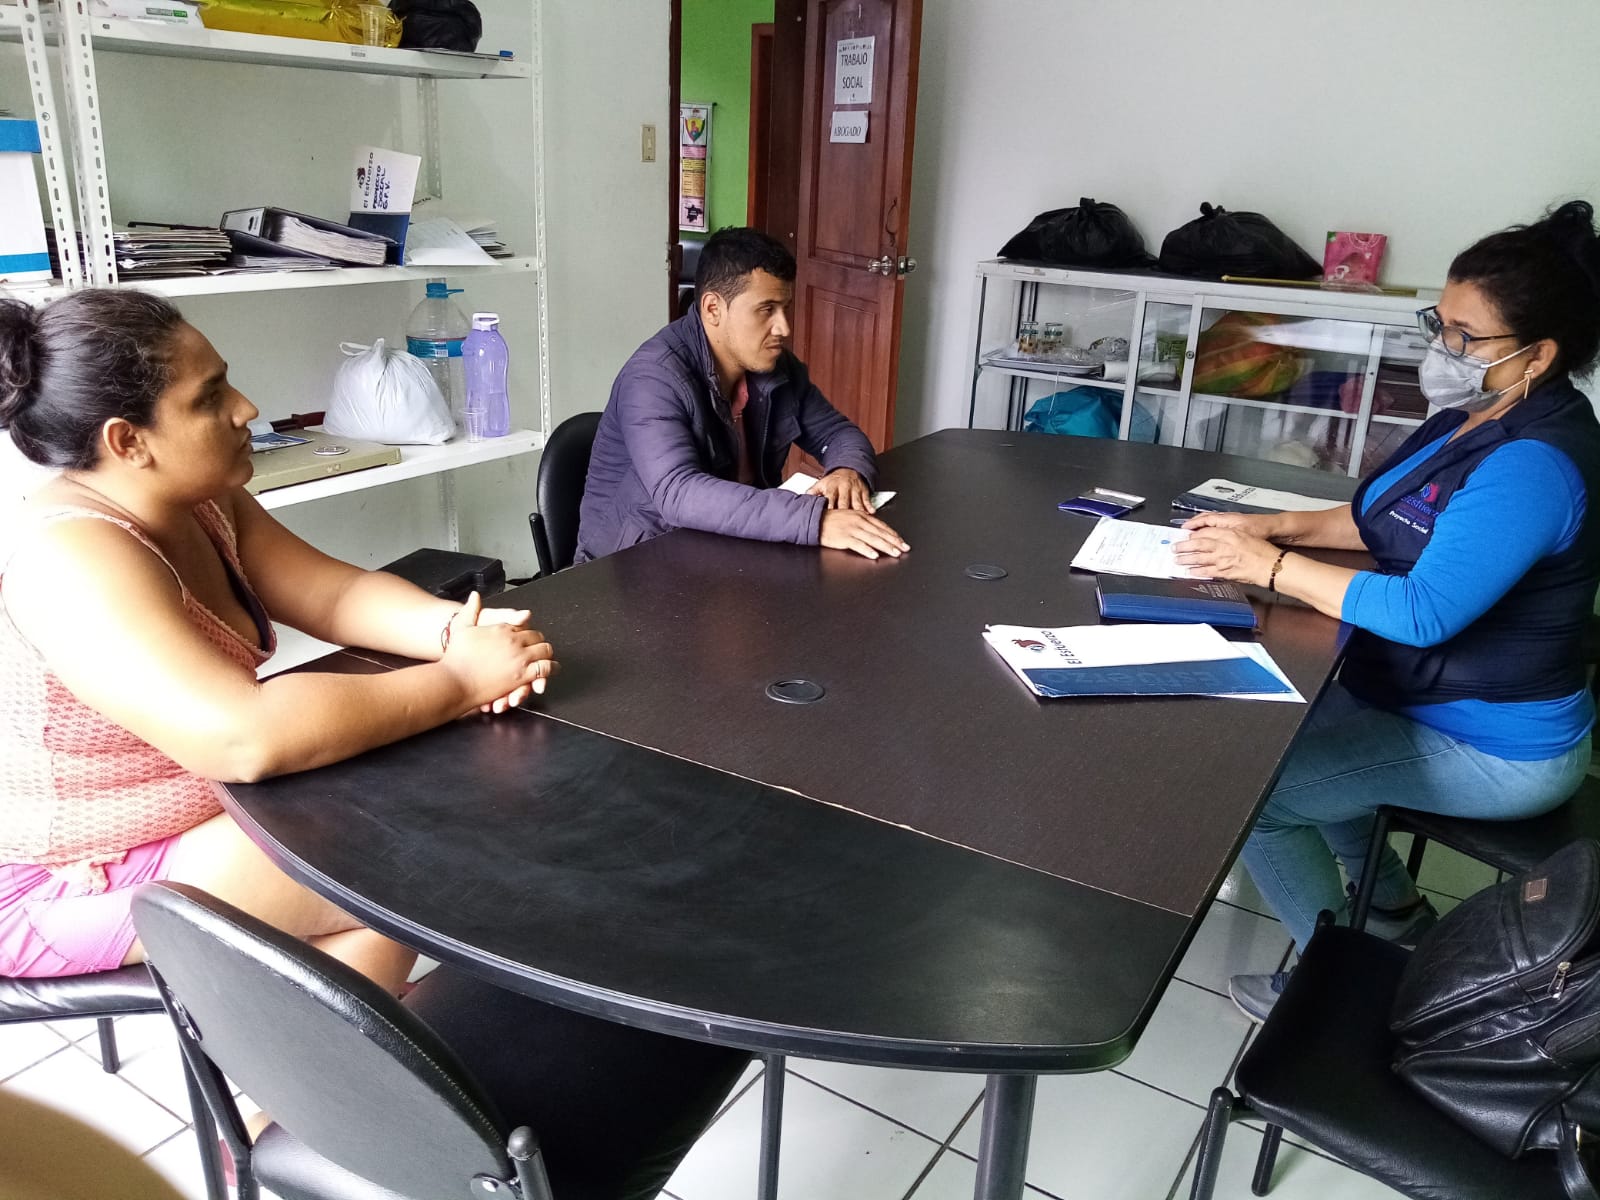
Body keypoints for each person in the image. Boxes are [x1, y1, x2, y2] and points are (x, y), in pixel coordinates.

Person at [0, 289, 559, 991]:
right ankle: (350, 1054)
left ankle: (349, 1056)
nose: (246, 408)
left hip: (202, 809)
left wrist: (455, 632)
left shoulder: (202, 499)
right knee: (405, 873)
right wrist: (461, 681)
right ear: (127, 441)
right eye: (210, 398)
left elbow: (333, 594)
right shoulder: (72, 557)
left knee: (399, 869)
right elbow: (243, 737)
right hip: (61, 873)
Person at [1174, 201, 1600, 1021]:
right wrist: (1270, 526)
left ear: (1539, 355)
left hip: (1499, 745)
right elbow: (1381, 517)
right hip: (1418, 694)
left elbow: (1422, 612)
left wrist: (1272, 567)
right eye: (1441, 324)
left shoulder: (1534, 466)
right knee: (1291, 738)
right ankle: (1393, 913)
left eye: (1466, 337)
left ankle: (1336, 997)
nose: (1444, 350)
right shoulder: (1473, 417)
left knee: (1261, 801)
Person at [575, 225, 910, 563]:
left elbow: (838, 433)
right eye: (766, 309)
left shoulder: (775, 366)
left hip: (723, 551)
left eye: (785, 308)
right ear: (713, 309)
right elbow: (679, 492)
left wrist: (846, 471)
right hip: (628, 568)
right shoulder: (653, 377)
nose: (783, 327)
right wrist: (815, 520)